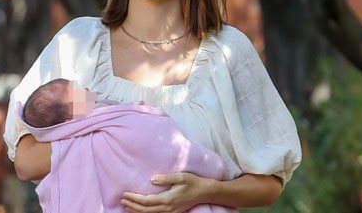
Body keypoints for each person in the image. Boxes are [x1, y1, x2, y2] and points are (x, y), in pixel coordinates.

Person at [4, 0, 301, 213]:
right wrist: (115, 136)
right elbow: (26, 161)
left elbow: (270, 183)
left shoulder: (228, 53)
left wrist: (206, 190)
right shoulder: (77, 45)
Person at [21, 78, 236, 212]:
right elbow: (149, 139)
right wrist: (212, 167)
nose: (85, 88)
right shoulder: (113, 124)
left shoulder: (105, 118)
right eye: (76, 93)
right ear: (71, 119)